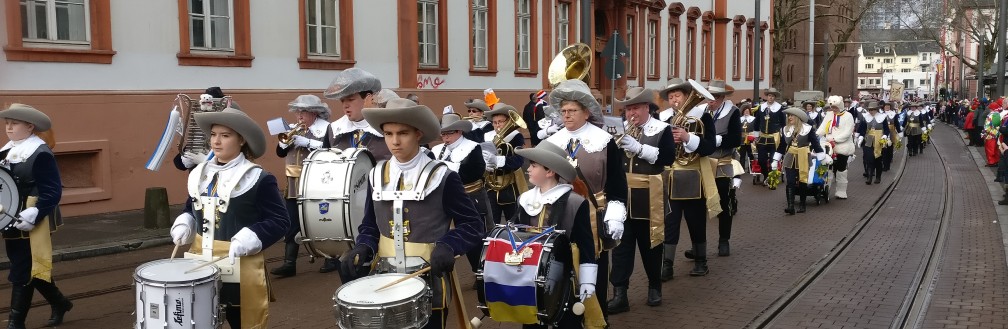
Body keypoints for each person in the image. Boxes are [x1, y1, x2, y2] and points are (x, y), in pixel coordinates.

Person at [339, 98, 484, 329]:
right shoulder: (376, 175)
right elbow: (370, 224)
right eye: (388, 134)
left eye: (402, 133)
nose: (394, 141)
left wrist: (449, 245)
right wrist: (364, 245)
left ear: (418, 133)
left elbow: (472, 225)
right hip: (384, 277)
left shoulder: (443, 176)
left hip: (430, 279)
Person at [170, 104, 290, 328]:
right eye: (214, 135)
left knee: (240, 322)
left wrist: (251, 237)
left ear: (241, 140)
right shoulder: (200, 174)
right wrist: (186, 221)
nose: (216, 141)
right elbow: (193, 207)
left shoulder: (258, 178)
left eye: (225, 136)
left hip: (240, 265)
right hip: (200, 264)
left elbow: (280, 221)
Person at [542, 79, 627, 323]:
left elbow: (617, 184)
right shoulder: (551, 142)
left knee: (594, 271)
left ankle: (597, 319)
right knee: (560, 268)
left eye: (572, 111)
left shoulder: (604, 141)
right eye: (564, 111)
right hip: (559, 216)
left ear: (586, 112)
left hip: (592, 214)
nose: (566, 116)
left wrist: (615, 214)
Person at [0, 104, 72, 329]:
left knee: (22, 269)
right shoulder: (5, 151)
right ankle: (60, 303)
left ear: (30, 126)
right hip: (10, 218)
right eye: (7, 123)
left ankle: (15, 323)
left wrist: (35, 212)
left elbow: (52, 191)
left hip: (33, 220)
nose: (9, 128)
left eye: (15, 123)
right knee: (28, 265)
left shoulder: (40, 152)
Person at [512, 142, 597, 328]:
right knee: (532, 320)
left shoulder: (574, 202)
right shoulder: (525, 199)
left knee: (566, 319)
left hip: (564, 274)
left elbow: (586, 243)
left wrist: (588, 280)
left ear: (549, 172)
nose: (528, 169)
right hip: (530, 273)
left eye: (534, 166)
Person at [607, 87, 675, 313]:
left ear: (647, 107)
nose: (631, 113)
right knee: (620, 248)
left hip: (649, 195)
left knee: (651, 245)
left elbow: (667, 158)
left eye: (635, 108)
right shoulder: (619, 129)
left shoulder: (662, 129)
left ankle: (655, 287)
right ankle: (619, 293)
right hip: (623, 196)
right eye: (628, 109)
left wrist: (640, 148)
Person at [319, 67, 390, 274]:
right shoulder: (334, 129)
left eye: (350, 99)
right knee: (349, 268)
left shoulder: (386, 126)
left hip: (381, 206)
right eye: (342, 101)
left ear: (368, 98)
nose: (345, 105)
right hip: (348, 211)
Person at [657, 80, 719, 278]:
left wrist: (687, 138)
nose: (674, 100)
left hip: (694, 176)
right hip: (671, 177)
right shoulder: (663, 119)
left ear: (686, 96)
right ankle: (667, 265)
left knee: (695, 221)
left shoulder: (703, 117)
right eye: (671, 97)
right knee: (670, 222)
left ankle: (701, 261)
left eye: (678, 96)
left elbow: (709, 147)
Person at [270, 95, 331, 278]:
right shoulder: (293, 128)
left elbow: (330, 150)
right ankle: (289, 263)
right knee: (292, 221)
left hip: (315, 182)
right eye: (298, 112)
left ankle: (331, 257)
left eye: (302, 112)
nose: (299, 115)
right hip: (294, 184)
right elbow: (280, 153)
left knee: (321, 220)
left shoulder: (325, 129)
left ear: (314, 113)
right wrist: (283, 143)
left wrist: (309, 143)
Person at [429, 113, 491, 285]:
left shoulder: (473, 147)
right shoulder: (437, 150)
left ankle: (480, 272)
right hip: (444, 198)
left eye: (449, 133)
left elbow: (474, 172)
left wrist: (447, 168)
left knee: (475, 236)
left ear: (459, 132)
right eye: (443, 134)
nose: (445, 137)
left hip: (471, 196)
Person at [690, 80, 741, 258]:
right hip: (701, 162)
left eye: (713, 98)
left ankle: (723, 240)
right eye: (708, 98)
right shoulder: (701, 111)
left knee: (723, 202)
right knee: (697, 206)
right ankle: (697, 245)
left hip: (721, 162)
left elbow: (736, 139)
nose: (709, 102)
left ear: (720, 98)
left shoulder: (733, 112)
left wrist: (716, 140)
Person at [772, 107, 827, 215]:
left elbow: (815, 144)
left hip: (803, 156)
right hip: (790, 156)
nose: (789, 117)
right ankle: (791, 206)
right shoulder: (786, 129)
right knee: (790, 181)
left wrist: (822, 158)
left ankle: (802, 204)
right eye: (788, 116)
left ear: (798, 117)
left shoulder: (808, 128)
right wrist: (775, 159)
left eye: (792, 116)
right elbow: (782, 146)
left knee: (803, 180)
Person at [483, 103, 528, 224]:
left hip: (509, 187)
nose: (497, 125)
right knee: (492, 222)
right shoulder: (487, 136)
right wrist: (485, 164)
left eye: (501, 122)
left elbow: (519, 161)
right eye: (495, 122)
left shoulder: (516, 137)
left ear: (508, 121)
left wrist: (497, 160)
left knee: (513, 222)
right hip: (490, 187)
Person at [174, 86, 227, 171]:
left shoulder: (228, 134)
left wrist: (208, 161)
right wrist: (184, 160)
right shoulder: (199, 134)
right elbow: (179, 164)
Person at [816, 96, 855, 199]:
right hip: (828, 146)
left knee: (841, 169)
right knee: (827, 168)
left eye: (835, 107)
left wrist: (835, 139)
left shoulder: (848, 116)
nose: (833, 109)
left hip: (842, 146)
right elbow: (823, 128)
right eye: (832, 107)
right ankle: (826, 189)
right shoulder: (829, 115)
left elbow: (848, 132)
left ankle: (841, 191)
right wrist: (815, 136)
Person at [754, 88, 786, 187]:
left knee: (773, 160)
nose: (770, 97)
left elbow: (783, 123)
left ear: (775, 97)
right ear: (767, 97)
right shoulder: (761, 107)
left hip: (774, 137)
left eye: (772, 96)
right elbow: (757, 122)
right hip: (763, 137)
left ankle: (772, 178)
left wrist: (783, 135)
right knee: (761, 160)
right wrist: (756, 136)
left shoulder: (780, 108)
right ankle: (766, 175)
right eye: (769, 96)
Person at [855, 101, 891, 185]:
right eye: (870, 110)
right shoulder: (865, 117)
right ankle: (869, 176)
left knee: (878, 159)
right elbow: (862, 129)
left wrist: (885, 136)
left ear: (876, 110)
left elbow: (886, 130)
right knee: (869, 158)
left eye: (873, 110)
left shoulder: (882, 117)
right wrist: (860, 136)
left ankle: (878, 177)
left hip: (879, 140)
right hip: (869, 139)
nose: (871, 112)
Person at [881, 102, 903, 172]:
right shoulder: (881, 114)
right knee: (884, 149)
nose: (887, 107)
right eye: (886, 106)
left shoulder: (894, 115)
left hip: (891, 132)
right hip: (883, 132)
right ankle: (884, 164)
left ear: (890, 107)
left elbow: (897, 124)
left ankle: (888, 163)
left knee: (890, 149)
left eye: (888, 106)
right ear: (883, 107)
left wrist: (899, 132)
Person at [739, 102, 758, 177]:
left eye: (747, 111)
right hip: (742, 139)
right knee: (742, 155)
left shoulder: (753, 119)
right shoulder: (740, 119)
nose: (746, 112)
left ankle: (751, 168)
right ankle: (742, 169)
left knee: (751, 154)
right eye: (745, 110)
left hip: (751, 139)